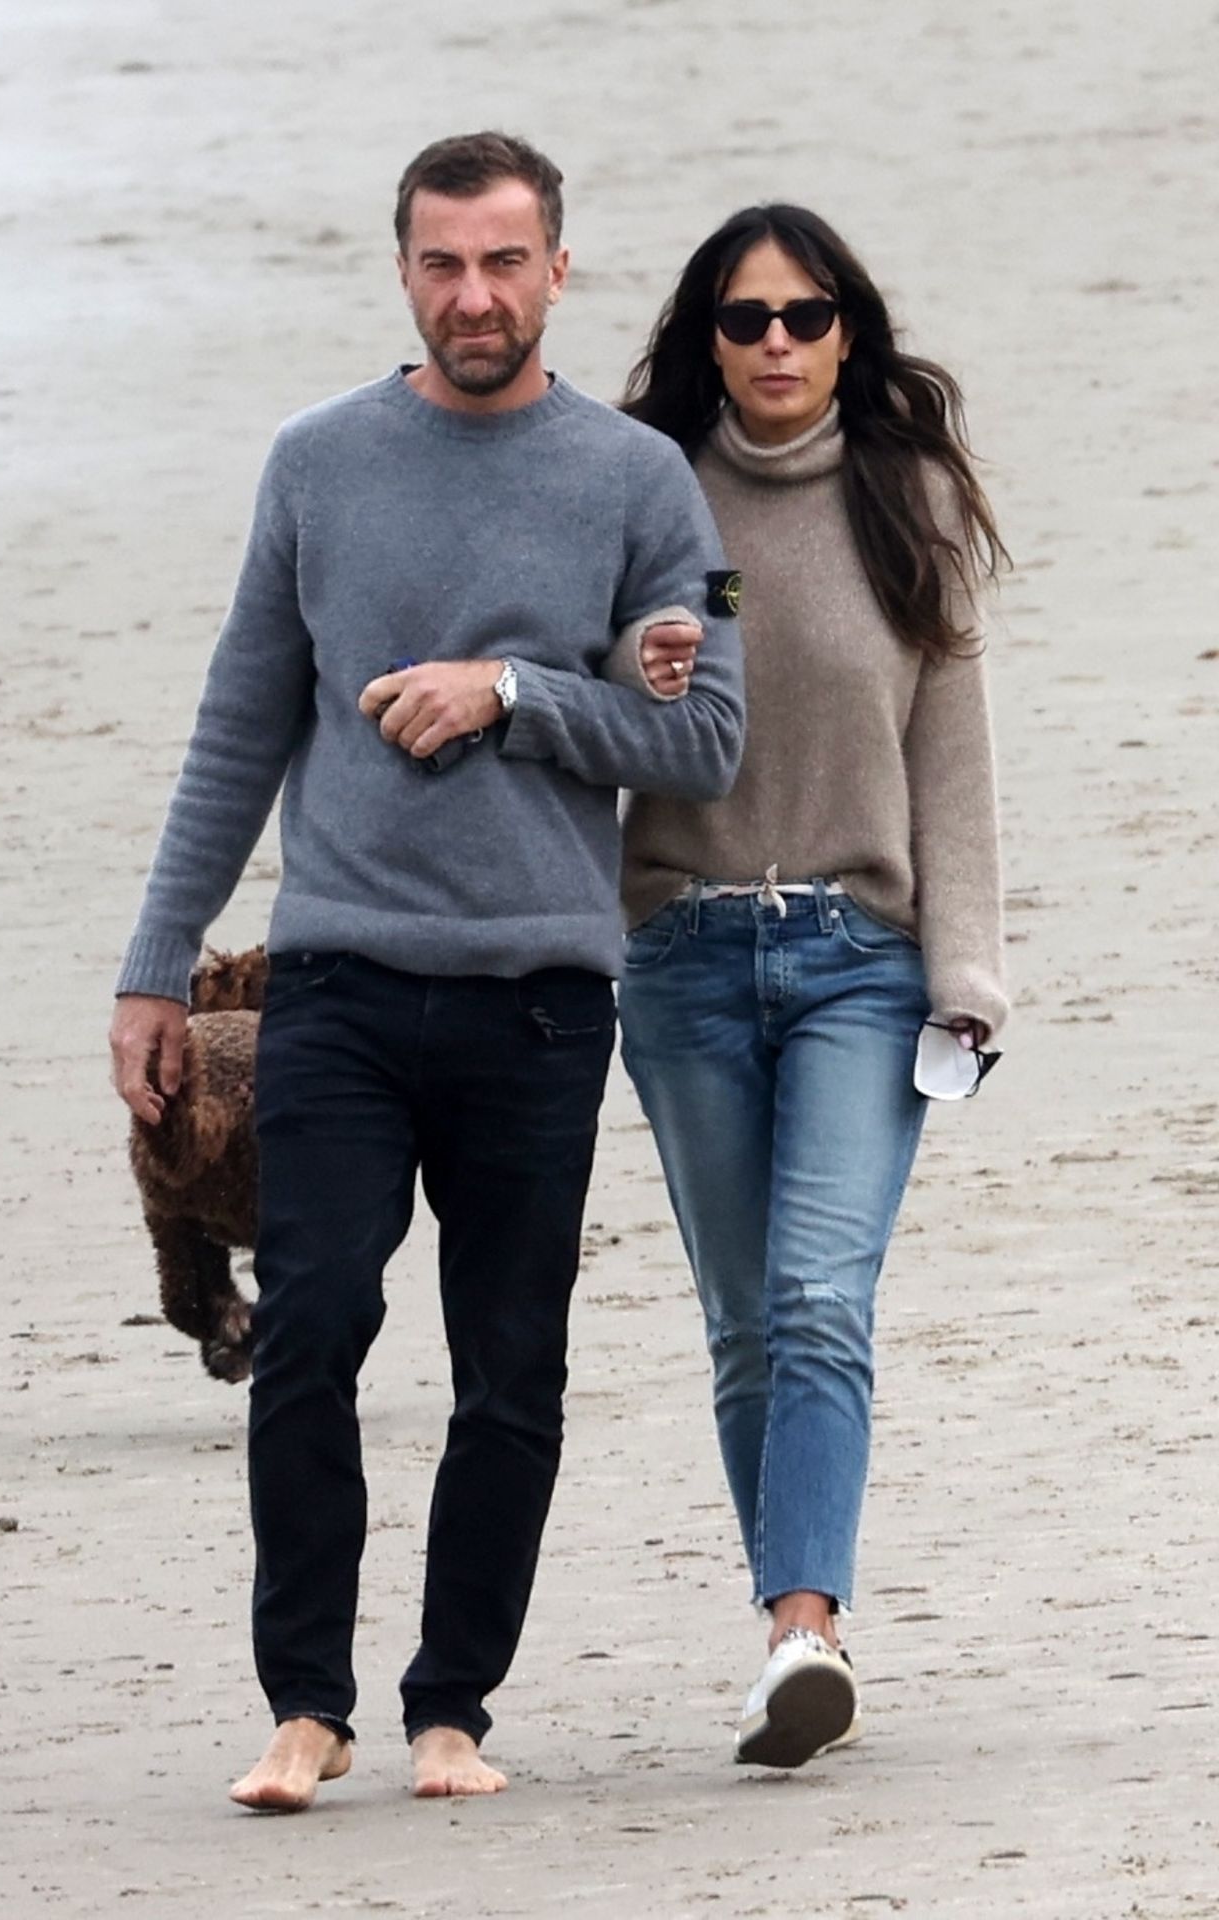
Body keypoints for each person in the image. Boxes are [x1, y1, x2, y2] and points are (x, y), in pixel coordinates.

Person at [109, 131, 744, 1812]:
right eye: (444, 264)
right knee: (313, 1321)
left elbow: (705, 735)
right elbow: (240, 725)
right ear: (404, 270)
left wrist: (515, 694)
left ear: (558, 270)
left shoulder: (637, 483)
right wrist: (153, 969)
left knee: (507, 1366)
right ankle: (303, 1707)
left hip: (540, 1000)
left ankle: (450, 1708)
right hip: (336, 978)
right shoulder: (319, 462)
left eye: (506, 262)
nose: (477, 295)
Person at [613, 203, 1009, 1768]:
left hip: (859, 960)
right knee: (742, 1328)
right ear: (705, 337)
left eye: (805, 312)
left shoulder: (906, 501)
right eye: (744, 316)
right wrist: (617, 674)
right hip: (683, 959)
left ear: (851, 328)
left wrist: (967, 975)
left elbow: (952, 762)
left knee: (819, 1297)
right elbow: (588, 740)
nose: (775, 342)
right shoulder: (645, 499)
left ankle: (801, 1632)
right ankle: (797, 1626)